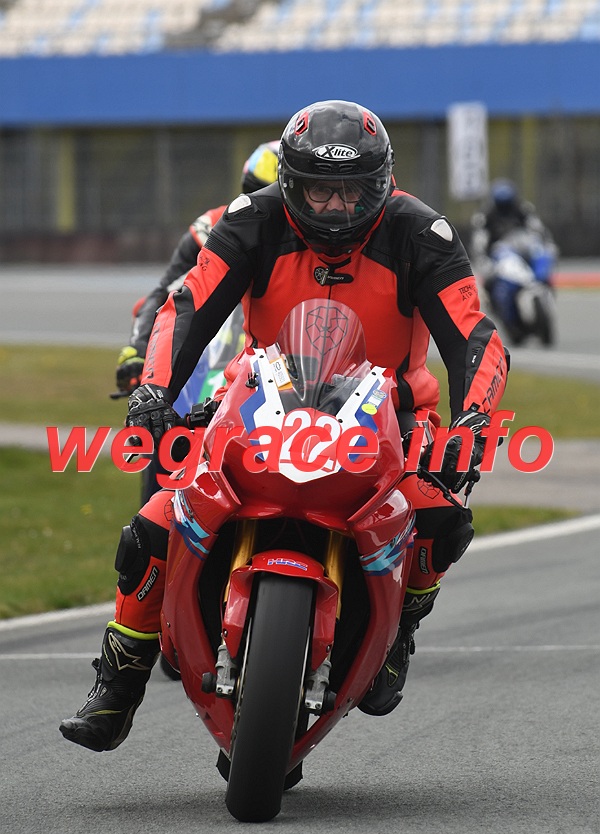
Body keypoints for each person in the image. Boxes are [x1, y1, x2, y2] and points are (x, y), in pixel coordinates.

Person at [60, 100, 509, 753]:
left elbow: (476, 336)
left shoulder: (422, 233)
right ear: (291, 183)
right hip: (258, 400)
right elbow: (187, 306)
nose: (336, 207)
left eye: (352, 191)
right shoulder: (252, 219)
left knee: (443, 516)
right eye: (320, 190)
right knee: (154, 524)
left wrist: (473, 420)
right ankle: (118, 683)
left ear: (382, 183)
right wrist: (155, 388)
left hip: (390, 412)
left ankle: (399, 632)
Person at [114, 139, 279, 502]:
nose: (271, 205)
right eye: (259, 192)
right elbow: (167, 294)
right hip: (207, 372)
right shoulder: (218, 225)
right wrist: (137, 352)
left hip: (274, 379)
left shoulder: (322, 243)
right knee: (160, 431)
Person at [470, 178, 558, 339]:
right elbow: (479, 241)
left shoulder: (524, 209)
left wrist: (547, 245)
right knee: (490, 283)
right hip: (499, 257)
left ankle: (546, 301)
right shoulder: (485, 216)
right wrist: (483, 260)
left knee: (543, 270)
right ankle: (502, 313)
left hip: (521, 250)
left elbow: (538, 229)